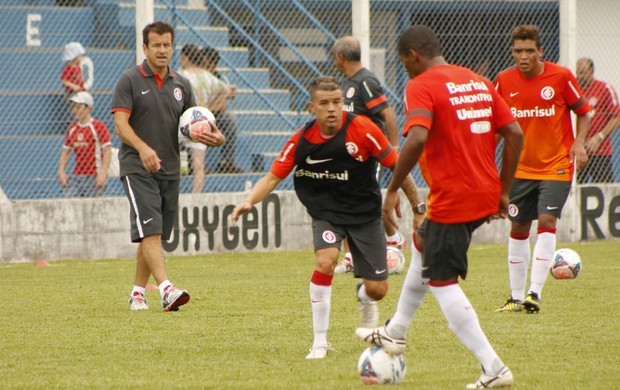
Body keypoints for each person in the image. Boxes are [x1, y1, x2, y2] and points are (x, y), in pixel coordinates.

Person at [355, 25, 523, 389]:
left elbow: (416, 136)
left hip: (454, 197)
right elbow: (515, 133)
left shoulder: (422, 85)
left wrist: (393, 189)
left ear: (413, 56)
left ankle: (493, 367)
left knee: (442, 282)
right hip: (484, 192)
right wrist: (504, 191)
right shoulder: (477, 81)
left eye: (404, 63)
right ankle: (395, 332)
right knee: (421, 243)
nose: (406, 71)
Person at [231, 76, 424, 359]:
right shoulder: (302, 140)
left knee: (378, 290)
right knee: (326, 261)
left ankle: (363, 294)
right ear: (312, 106)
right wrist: (249, 200)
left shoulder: (363, 129)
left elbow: (400, 168)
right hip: (326, 214)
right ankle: (319, 342)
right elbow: (273, 178)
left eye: (337, 102)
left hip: (364, 214)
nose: (332, 108)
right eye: (324, 103)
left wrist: (418, 209)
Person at [111, 21, 225, 312]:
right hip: (137, 166)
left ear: (172, 47)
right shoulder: (130, 80)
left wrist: (216, 136)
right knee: (150, 231)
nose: (162, 50)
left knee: (154, 233)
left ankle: (137, 293)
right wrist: (143, 148)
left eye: (167, 45)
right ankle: (166, 289)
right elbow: (121, 126)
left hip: (171, 169)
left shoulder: (181, 84)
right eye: (156, 45)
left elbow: (197, 122)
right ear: (145, 48)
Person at [494, 25, 591, 314]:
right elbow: (497, 123)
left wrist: (579, 143)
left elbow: (583, 112)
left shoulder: (561, 77)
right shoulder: (503, 80)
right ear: (512, 52)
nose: (523, 57)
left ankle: (533, 293)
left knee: (547, 219)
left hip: (556, 165)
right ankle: (514, 297)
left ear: (540, 52)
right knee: (519, 227)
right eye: (518, 51)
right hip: (520, 169)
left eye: (529, 51)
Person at [331, 36, 414, 274]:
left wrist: (394, 147)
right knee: (346, 200)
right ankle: (351, 256)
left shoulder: (365, 80)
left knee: (364, 199)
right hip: (348, 155)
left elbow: (387, 113)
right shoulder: (347, 83)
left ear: (340, 57)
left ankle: (394, 238)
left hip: (369, 153)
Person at [176, 44, 230, 192]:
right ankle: (196, 196)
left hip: (183, 121)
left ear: (185, 58)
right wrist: (210, 107)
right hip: (201, 123)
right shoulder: (208, 76)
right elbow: (226, 91)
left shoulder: (181, 74)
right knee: (199, 165)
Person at [58, 91, 112, 197]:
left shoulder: (98, 126)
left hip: (94, 176)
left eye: (78, 107)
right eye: (73, 107)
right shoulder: (72, 129)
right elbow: (66, 151)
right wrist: (61, 172)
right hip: (77, 177)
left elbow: (107, 151)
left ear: (88, 108)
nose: (74, 110)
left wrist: (103, 173)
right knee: (69, 201)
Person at [576, 57, 620, 183]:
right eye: (577, 72)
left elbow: (617, 117)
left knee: (603, 188)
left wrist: (599, 137)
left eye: (583, 72)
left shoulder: (604, 88)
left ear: (592, 71)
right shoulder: (572, 90)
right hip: (577, 152)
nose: (579, 76)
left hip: (599, 152)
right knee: (575, 189)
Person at [201, 46, 244, 174]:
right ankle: (193, 165)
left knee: (228, 120)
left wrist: (220, 99)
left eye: (210, 64)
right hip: (197, 115)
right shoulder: (197, 77)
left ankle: (226, 162)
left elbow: (221, 106)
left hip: (215, 116)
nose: (207, 67)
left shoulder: (218, 78)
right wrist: (221, 97)